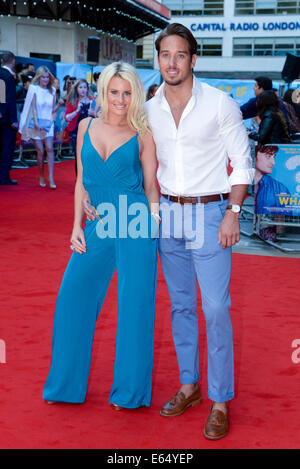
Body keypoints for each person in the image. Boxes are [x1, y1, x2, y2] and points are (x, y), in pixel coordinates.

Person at [143, 23, 253, 440]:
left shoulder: (220, 104)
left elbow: (242, 162)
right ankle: (189, 385)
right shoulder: (150, 106)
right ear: (159, 59)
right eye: (165, 55)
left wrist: (233, 211)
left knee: (216, 308)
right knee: (181, 307)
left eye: (180, 55)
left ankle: (220, 399)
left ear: (193, 59)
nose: (172, 62)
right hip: (167, 215)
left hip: (210, 214)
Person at [43, 61, 159, 409]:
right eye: (114, 92)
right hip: (96, 224)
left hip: (136, 223)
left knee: (135, 308)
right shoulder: (85, 127)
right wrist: (76, 225)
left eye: (127, 93)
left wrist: (153, 226)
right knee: (72, 299)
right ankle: (64, 387)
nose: (121, 99)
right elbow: (81, 181)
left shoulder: (144, 134)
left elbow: (151, 186)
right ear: (103, 92)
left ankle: (130, 393)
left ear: (135, 95)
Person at [19, 66, 60, 189]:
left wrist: (57, 110)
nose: (46, 79)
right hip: (35, 123)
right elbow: (31, 108)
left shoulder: (52, 90)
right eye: (43, 77)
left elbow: (52, 109)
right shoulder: (33, 89)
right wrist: (30, 124)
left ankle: (51, 178)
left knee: (50, 149)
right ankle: (42, 175)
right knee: (40, 151)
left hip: (48, 124)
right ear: (38, 77)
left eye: (48, 77)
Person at [254, 145, 291, 242]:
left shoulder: (280, 188)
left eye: (273, 157)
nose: (273, 162)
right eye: (268, 156)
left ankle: (272, 230)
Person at [64, 79, 94, 173]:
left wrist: (93, 113)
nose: (83, 90)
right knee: (79, 157)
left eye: (85, 87)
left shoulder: (92, 101)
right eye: (80, 87)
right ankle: (79, 180)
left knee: (89, 157)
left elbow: (101, 115)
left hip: (91, 133)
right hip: (76, 133)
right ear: (76, 89)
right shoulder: (73, 101)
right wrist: (77, 110)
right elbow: (67, 118)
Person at [0, 51, 18, 185]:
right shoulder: (9, 76)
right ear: (12, 61)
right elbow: (10, 99)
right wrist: (13, 120)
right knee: (7, 148)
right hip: (6, 120)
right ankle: (4, 177)